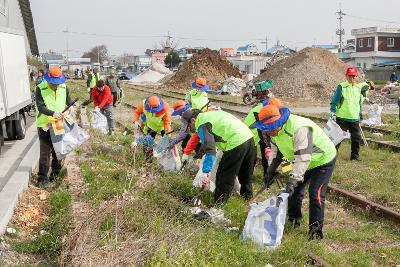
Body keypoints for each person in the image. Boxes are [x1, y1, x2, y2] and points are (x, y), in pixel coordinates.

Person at [254, 105, 336, 240]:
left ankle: (315, 231)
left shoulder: (299, 129)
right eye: (265, 129)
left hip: (322, 159)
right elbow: (277, 151)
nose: (267, 133)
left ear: (278, 124)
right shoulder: (275, 132)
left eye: (269, 129)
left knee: (316, 193)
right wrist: (271, 170)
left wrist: (293, 179)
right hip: (304, 160)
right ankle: (293, 220)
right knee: (294, 191)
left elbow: (302, 158)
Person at [182, 108, 256, 203]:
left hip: (235, 142)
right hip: (249, 138)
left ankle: (219, 206)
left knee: (224, 176)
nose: (190, 128)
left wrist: (205, 172)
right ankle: (248, 201)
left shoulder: (201, 124)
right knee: (245, 174)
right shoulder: (209, 116)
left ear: (193, 120)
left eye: (189, 125)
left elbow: (211, 150)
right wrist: (192, 152)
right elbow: (204, 140)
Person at [35, 66, 74, 187]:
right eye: (53, 83)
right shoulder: (40, 88)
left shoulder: (64, 87)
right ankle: (42, 178)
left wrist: (70, 108)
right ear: (48, 79)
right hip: (45, 125)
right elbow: (40, 106)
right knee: (45, 152)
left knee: (58, 151)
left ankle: (55, 175)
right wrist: (53, 113)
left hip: (59, 125)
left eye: (57, 83)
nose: (55, 86)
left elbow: (69, 101)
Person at [330, 66, 367, 161]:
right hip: (342, 118)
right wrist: (332, 110)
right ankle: (331, 156)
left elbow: (359, 103)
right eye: (350, 76)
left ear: (356, 77)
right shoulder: (341, 86)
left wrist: (360, 116)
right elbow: (335, 99)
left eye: (354, 76)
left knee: (356, 139)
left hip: (354, 119)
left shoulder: (359, 88)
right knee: (337, 139)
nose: (352, 78)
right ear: (346, 76)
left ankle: (355, 157)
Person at [243, 97, 283, 178]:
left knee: (267, 154)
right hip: (251, 135)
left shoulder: (264, 108)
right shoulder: (260, 112)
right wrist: (267, 146)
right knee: (258, 156)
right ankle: (265, 176)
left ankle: (268, 175)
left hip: (256, 133)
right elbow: (262, 131)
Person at [132, 96, 172, 160]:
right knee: (147, 144)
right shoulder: (143, 104)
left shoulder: (165, 108)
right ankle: (148, 160)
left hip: (162, 127)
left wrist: (168, 134)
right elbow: (137, 112)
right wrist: (135, 120)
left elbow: (167, 122)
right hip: (151, 126)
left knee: (167, 143)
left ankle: (165, 158)